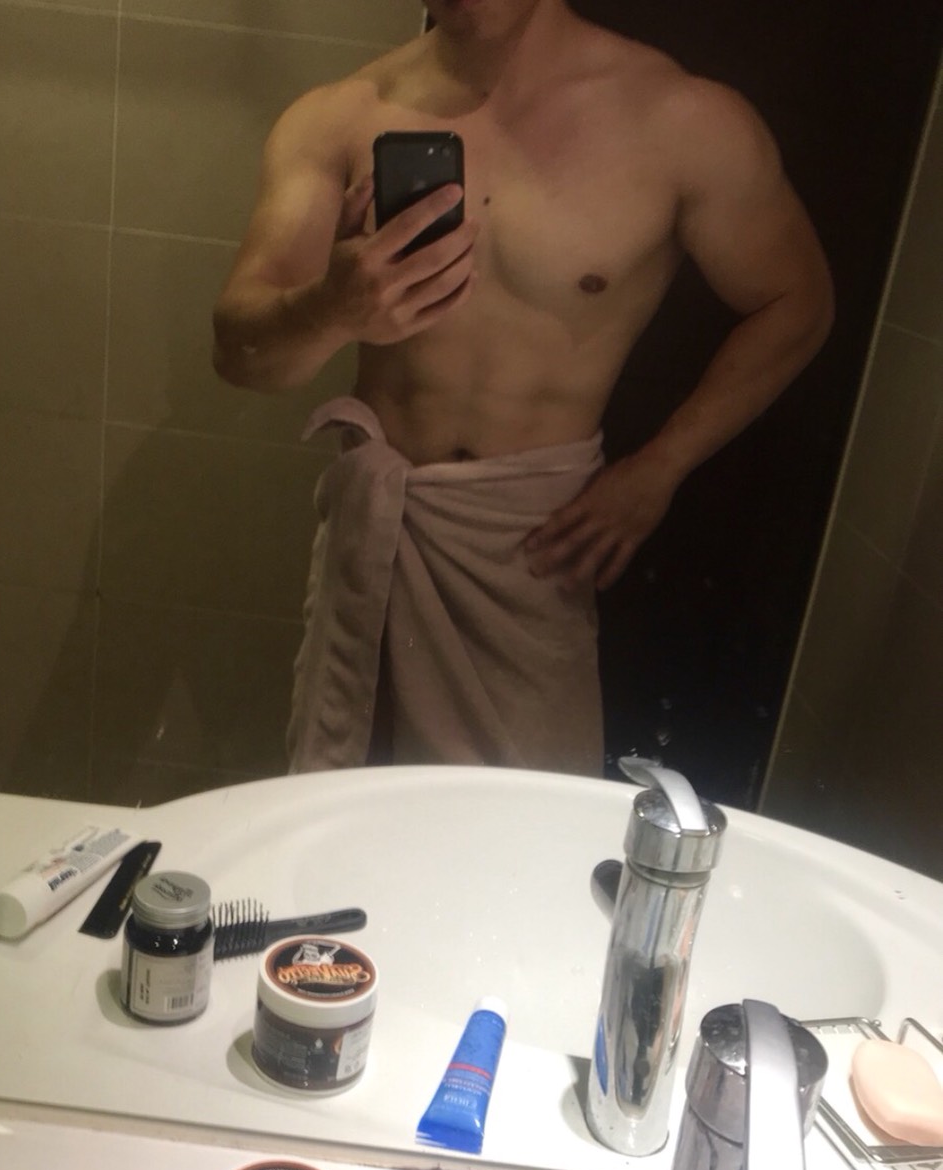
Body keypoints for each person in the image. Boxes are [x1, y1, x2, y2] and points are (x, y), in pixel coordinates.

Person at [212, 0, 834, 775]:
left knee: (523, 821)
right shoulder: (337, 120)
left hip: (534, 549)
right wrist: (329, 310)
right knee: (344, 810)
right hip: (378, 537)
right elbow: (240, 357)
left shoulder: (683, 122)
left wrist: (659, 468)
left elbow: (798, 304)